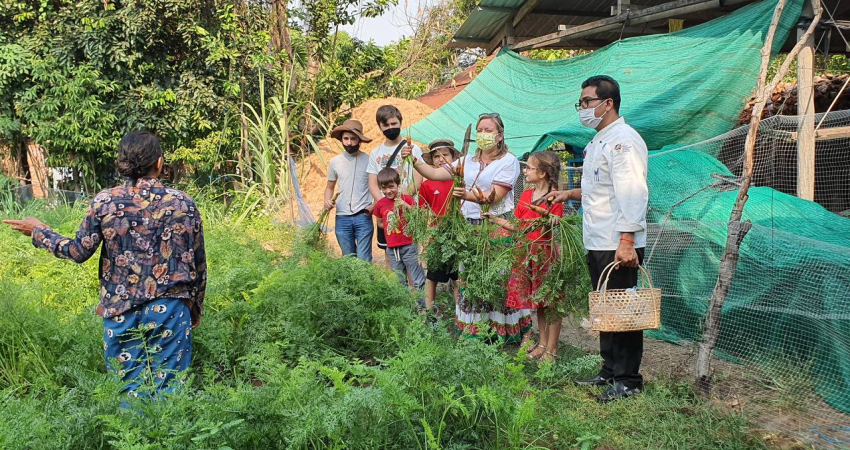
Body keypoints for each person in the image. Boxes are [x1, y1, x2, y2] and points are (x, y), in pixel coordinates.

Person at [3, 130, 206, 398]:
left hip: (119, 310)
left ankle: (133, 440)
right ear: (159, 163)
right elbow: (198, 263)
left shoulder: (105, 202)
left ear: (123, 163)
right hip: (170, 309)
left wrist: (39, 231)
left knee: (129, 390)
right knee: (169, 390)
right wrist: (195, 307)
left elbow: (77, 251)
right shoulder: (183, 203)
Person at [549, 75, 649, 403]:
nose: (582, 108)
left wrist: (626, 241)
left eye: (586, 102)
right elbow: (600, 188)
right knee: (606, 310)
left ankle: (629, 380)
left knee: (623, 313)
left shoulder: (624, 141)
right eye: (580, 103)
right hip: (598, 241)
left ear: (608, 103)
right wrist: (568, 193)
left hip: (617, 243)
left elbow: (632, 192)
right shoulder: (598, 141)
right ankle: (609, 370)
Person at [403, 113, 530, 343]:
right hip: (467, 229)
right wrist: (413, 161)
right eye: (480, 130)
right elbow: (434, 173)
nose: (483, 134)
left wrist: (467, 195)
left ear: (499, 136)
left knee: (497, 279)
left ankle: (502, 330)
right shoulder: (466, 161)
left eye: (488, 130)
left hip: (494, 225)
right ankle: (477, 330)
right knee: (470, 278)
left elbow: (495, 196)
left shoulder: (507, 161)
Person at [488, 151, 565, 362]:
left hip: (544, 255)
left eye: (529, 168)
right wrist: (494, 220)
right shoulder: (525, 196)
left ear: (542, 173)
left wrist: (550, 219)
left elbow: (554, 223)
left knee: (551, 303)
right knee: (537, 302)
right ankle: (541, 343)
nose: (525, 171)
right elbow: (518, 227)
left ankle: (552, 348)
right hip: (525, 254)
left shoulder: (554, 197)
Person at [367, 105, 423, 263]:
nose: (390, 128)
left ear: (400, 123)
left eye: (394, 124)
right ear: (380, 126)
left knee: (411, 255)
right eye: (386, 125)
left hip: (408, 208)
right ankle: (394, 287)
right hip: (387, 214)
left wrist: (401, 200)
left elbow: (418, 179)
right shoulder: (375, 153)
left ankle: (414, 288)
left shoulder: (413, 149)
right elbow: (373, 184)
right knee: (390, 254)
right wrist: (386, 203)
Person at [418, 139, 461, 315]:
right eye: (436, 156)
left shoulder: (460, 180)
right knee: (432, 277)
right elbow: (422, 214)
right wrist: (423, 243)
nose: (441, 159)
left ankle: (461, 313)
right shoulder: (427, 184)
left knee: (459, 278)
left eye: (445, 154)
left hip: (458, 235)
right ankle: (430, 312)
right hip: (437, 236)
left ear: (453, 157)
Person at [325, 119, 374, 262]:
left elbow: (376, 186)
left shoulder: (369, 160)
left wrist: (374, 205)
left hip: (363, 215)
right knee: (348, 260)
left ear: (359, 140)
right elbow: (329, 187)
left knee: (364, 259)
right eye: (346, 138)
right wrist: (327, 201)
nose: (349, 142)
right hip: (342, 217)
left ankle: (366, 284)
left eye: (353, 139)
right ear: (341, 139)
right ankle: (351, 285)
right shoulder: (335, 162)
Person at [372, 168, 426, 291]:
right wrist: (392, 225)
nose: (388, 191)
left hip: (408, 245)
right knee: (398, 280)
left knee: (417, 277)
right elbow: (380, 223)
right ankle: (405, 307)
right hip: (392, 247)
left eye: (391, 187)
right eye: (384, 188)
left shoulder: (406, 199)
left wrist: (405, 206)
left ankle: (424, 307)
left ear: (398, 184)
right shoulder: (380, 204)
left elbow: (417, 215)